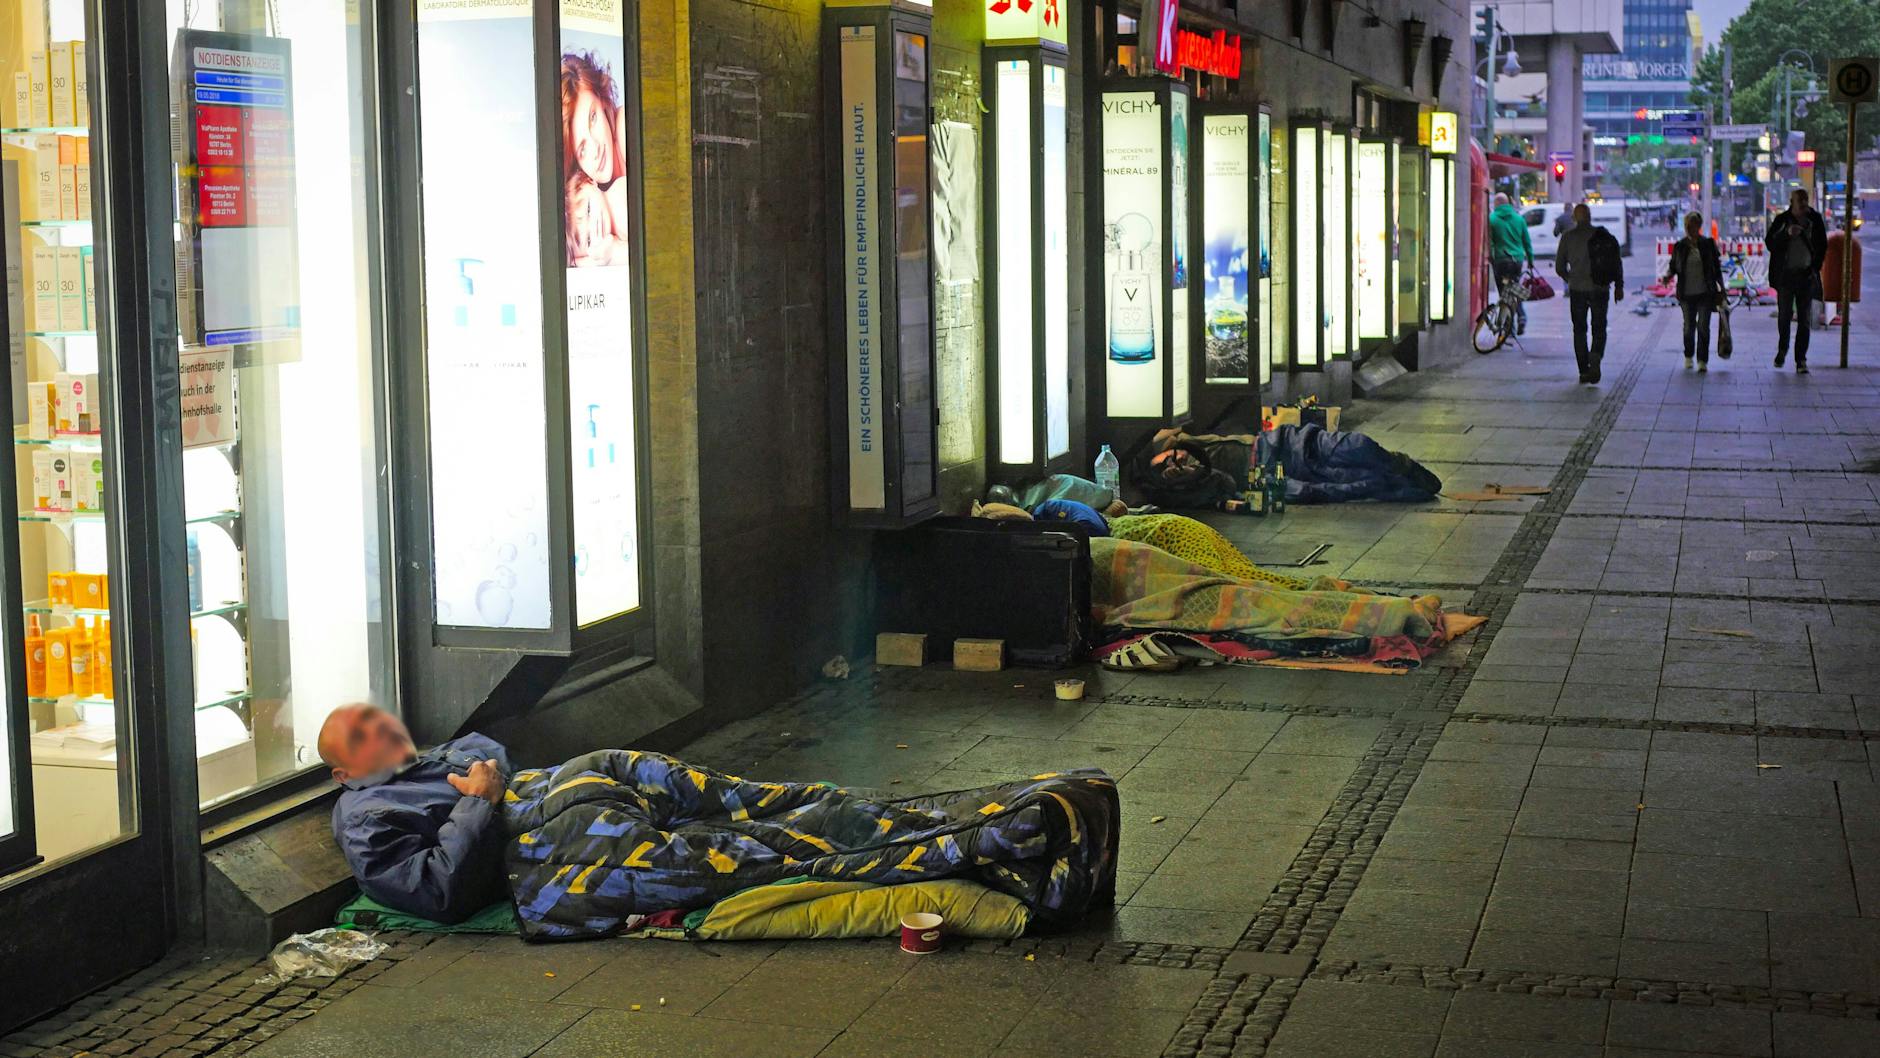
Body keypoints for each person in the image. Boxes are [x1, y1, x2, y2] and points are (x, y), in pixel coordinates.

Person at [319, 704, 512, 923]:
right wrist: (479, 799)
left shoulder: (421, 761)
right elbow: (436, 891)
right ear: (343, 775)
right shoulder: (365, 822)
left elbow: (493, 751)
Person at [1554, 203, 1625, 384]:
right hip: (1600, 289)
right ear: (1590, 216)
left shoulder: (1567, 237)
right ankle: (1595, 356)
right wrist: (1619, 286)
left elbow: (1559, 267)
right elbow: (1616, 261)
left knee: (1579, 329)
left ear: (1574, 218)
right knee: (1599, 327)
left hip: (1577, 289)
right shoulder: (1603, 235)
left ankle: (1583, 370)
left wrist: (1570, 278)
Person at [1764, 188, 1827, 374]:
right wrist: (1786, 234)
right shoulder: (1782, 220)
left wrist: (1814, 268)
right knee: (1784, 316)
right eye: (1800, 201)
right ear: (1792, 202)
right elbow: (1770, 243)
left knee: (1804, 319)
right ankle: (1782, 349)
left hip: (1805, 275)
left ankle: (1801, 359)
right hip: (1786, 276)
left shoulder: (1815, 220)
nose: (1803, 204)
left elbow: (1822, 245)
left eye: (1805, 200)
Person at [1663, 211, 1724, 371]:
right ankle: (1688, 355)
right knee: (1689, 327)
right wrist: (1668, 276)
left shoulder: (1708, 244)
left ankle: (1702, 360)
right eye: (1688, 226)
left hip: (1705, 293)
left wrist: (1721, 290)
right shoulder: (1680, 246)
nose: (1691, 229)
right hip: (1686, 293)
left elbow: (1716, 269)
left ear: (1699, 226)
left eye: (1694, 226)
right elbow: (1673, 266)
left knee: (1703, 327)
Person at [561, 51, 630, 190]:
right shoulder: (586, 192)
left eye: (592, 118)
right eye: (582, 149)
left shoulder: (625, 126)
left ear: (601, 100)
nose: (595, 148)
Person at [1487, 193, 1535, 334]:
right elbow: (1527, 241)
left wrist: (1492, 258)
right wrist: (1530, 260)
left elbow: (1490, 242)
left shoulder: (1492, 219)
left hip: (1501, 261)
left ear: (1497, 203)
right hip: (1516, 262)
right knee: (1513, 289)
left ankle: (1509, 328)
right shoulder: (1519, 219)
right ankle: (1521, 316)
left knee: (1504, 293)